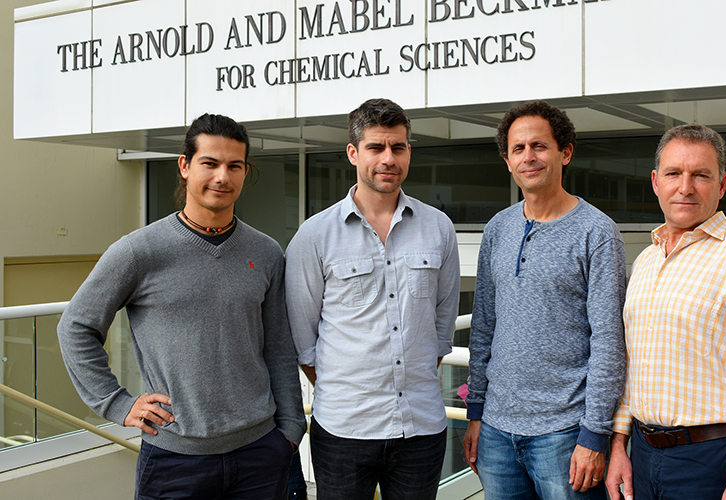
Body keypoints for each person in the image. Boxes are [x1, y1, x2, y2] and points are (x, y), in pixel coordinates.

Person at [58, 113, 306, 499]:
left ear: (244, 173)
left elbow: (278, 346)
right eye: (210, 163)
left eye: (234, 166)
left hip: (260, 451)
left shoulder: (266, 252)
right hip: (174, 458)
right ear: (185, 166)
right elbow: (76, 325)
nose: (222, 176)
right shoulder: (139, 251)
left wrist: (291, 429)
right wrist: (117, 403)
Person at [606, 124, 726, 500]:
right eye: (674, 173)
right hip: (642, 454)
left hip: (714, 461)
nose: (686, 187)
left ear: (722, 185)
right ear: (656, 182)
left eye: (701, 175)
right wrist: (618, 447)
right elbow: (633, 363)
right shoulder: (645, 261)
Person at [285, 98, 461, 500]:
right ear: (353, 153)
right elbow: (303, 341)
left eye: (398, 148)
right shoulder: (314, 236)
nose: (388, 159)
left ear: (409, 152)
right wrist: (350, 388)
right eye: (376, 148)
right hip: (345, 431)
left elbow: (440, 327)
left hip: (421, 429)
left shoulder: (439, 228)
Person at [463, 100, 627, 499]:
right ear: (507, 161)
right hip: (496, 433)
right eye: (518, 149)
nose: (528, 157)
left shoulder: (597, 233)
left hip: (566, 434)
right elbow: (484, 327)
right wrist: (476, 414)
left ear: (564, 152)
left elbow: (609, 342)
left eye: (539, 146)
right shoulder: (498, 229)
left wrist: (595, 434)